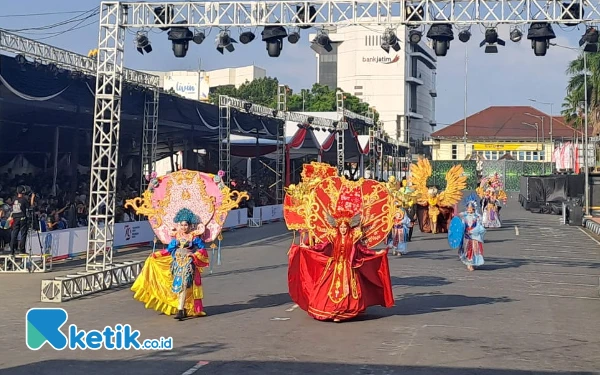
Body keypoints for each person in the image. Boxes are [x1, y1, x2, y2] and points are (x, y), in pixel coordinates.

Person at [287, 177, 395, 323]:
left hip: (349, 268)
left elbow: (363, 250)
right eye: (341, 227)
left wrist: (377, 253)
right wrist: (308, 247)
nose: (343, 229)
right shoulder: (333, 236)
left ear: (349, 227)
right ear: (338, 227)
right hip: (335, 266)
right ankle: (333, 312)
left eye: (345, 227)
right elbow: (322, 246)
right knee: (328, 290)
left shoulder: (354, 238)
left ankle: (346, 312)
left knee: (351, 292)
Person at [131, 208, 209, 320]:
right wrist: (156, 255)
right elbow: (168, 250)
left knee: (183, 285)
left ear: (190, 226)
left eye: (186, 225)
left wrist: (193, 255)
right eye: (181, 225)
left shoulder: (194, 237)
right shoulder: (176, 237)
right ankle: (183, 307)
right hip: (176, 265)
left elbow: (203, 250)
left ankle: (181, 310)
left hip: (188, 265)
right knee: (178, 286)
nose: (183, 227)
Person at [458, 197, 486, 271]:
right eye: (468, 208)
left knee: (475, 250)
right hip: (467, 236)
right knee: (468, 250)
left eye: (471, 208)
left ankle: (473, 262)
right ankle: (469, 263)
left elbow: (479, 226)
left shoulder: (476, 217)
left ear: (473, 208)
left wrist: (474, 231)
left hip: (474, 236)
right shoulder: (465, 217)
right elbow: (462, 225)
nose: (469, 209)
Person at [10, 186, 35, 255]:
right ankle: (22, 250)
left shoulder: (14, 199)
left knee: (14, 234)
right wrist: (32, 198)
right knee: (23, 234)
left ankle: (12, 250)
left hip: (15, 218)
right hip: (22, 218)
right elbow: (30, 207)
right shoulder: (24, 200)